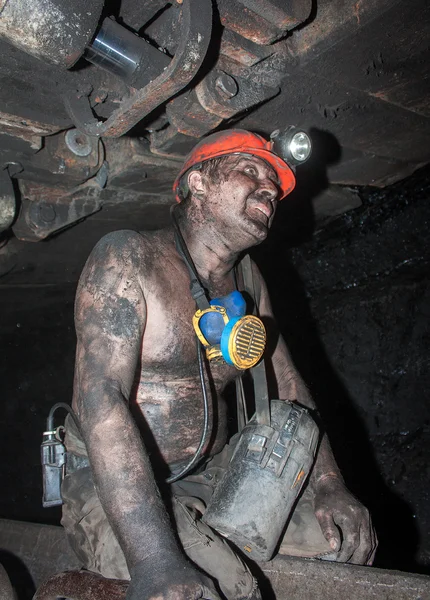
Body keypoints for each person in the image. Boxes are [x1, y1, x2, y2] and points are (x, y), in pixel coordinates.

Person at [61, 130, 377, 600]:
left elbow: (287, 383)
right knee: (218, 588)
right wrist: (155, 561)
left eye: (275, 181)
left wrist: (331, 483)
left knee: (342, 541)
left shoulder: (248, 279)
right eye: (251, 171)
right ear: (199, 184)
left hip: (216, 471)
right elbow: (99, 397)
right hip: (112, 485)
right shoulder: (128, 257)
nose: (269, 187)